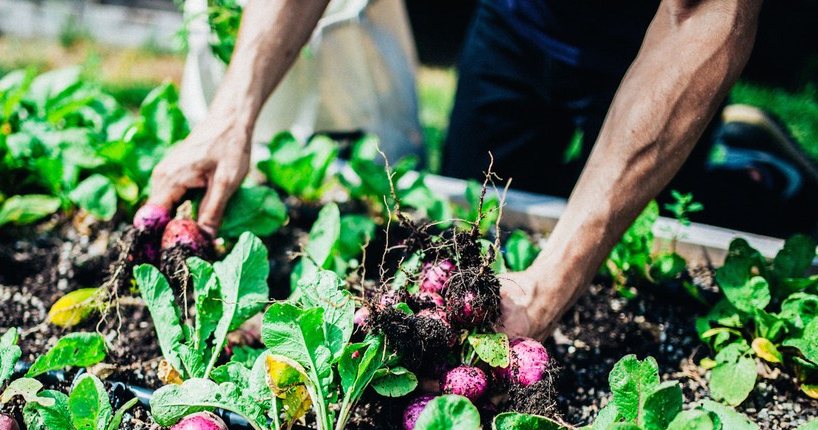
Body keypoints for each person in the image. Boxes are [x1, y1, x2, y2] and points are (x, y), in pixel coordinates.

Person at [147, 0, 769, 340]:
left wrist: (552, 281)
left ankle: (756, 170)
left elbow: (706, 11)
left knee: (658, 221)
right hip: (517, 21)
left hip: (663, 43)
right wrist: (230, 116)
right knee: (476, 221)